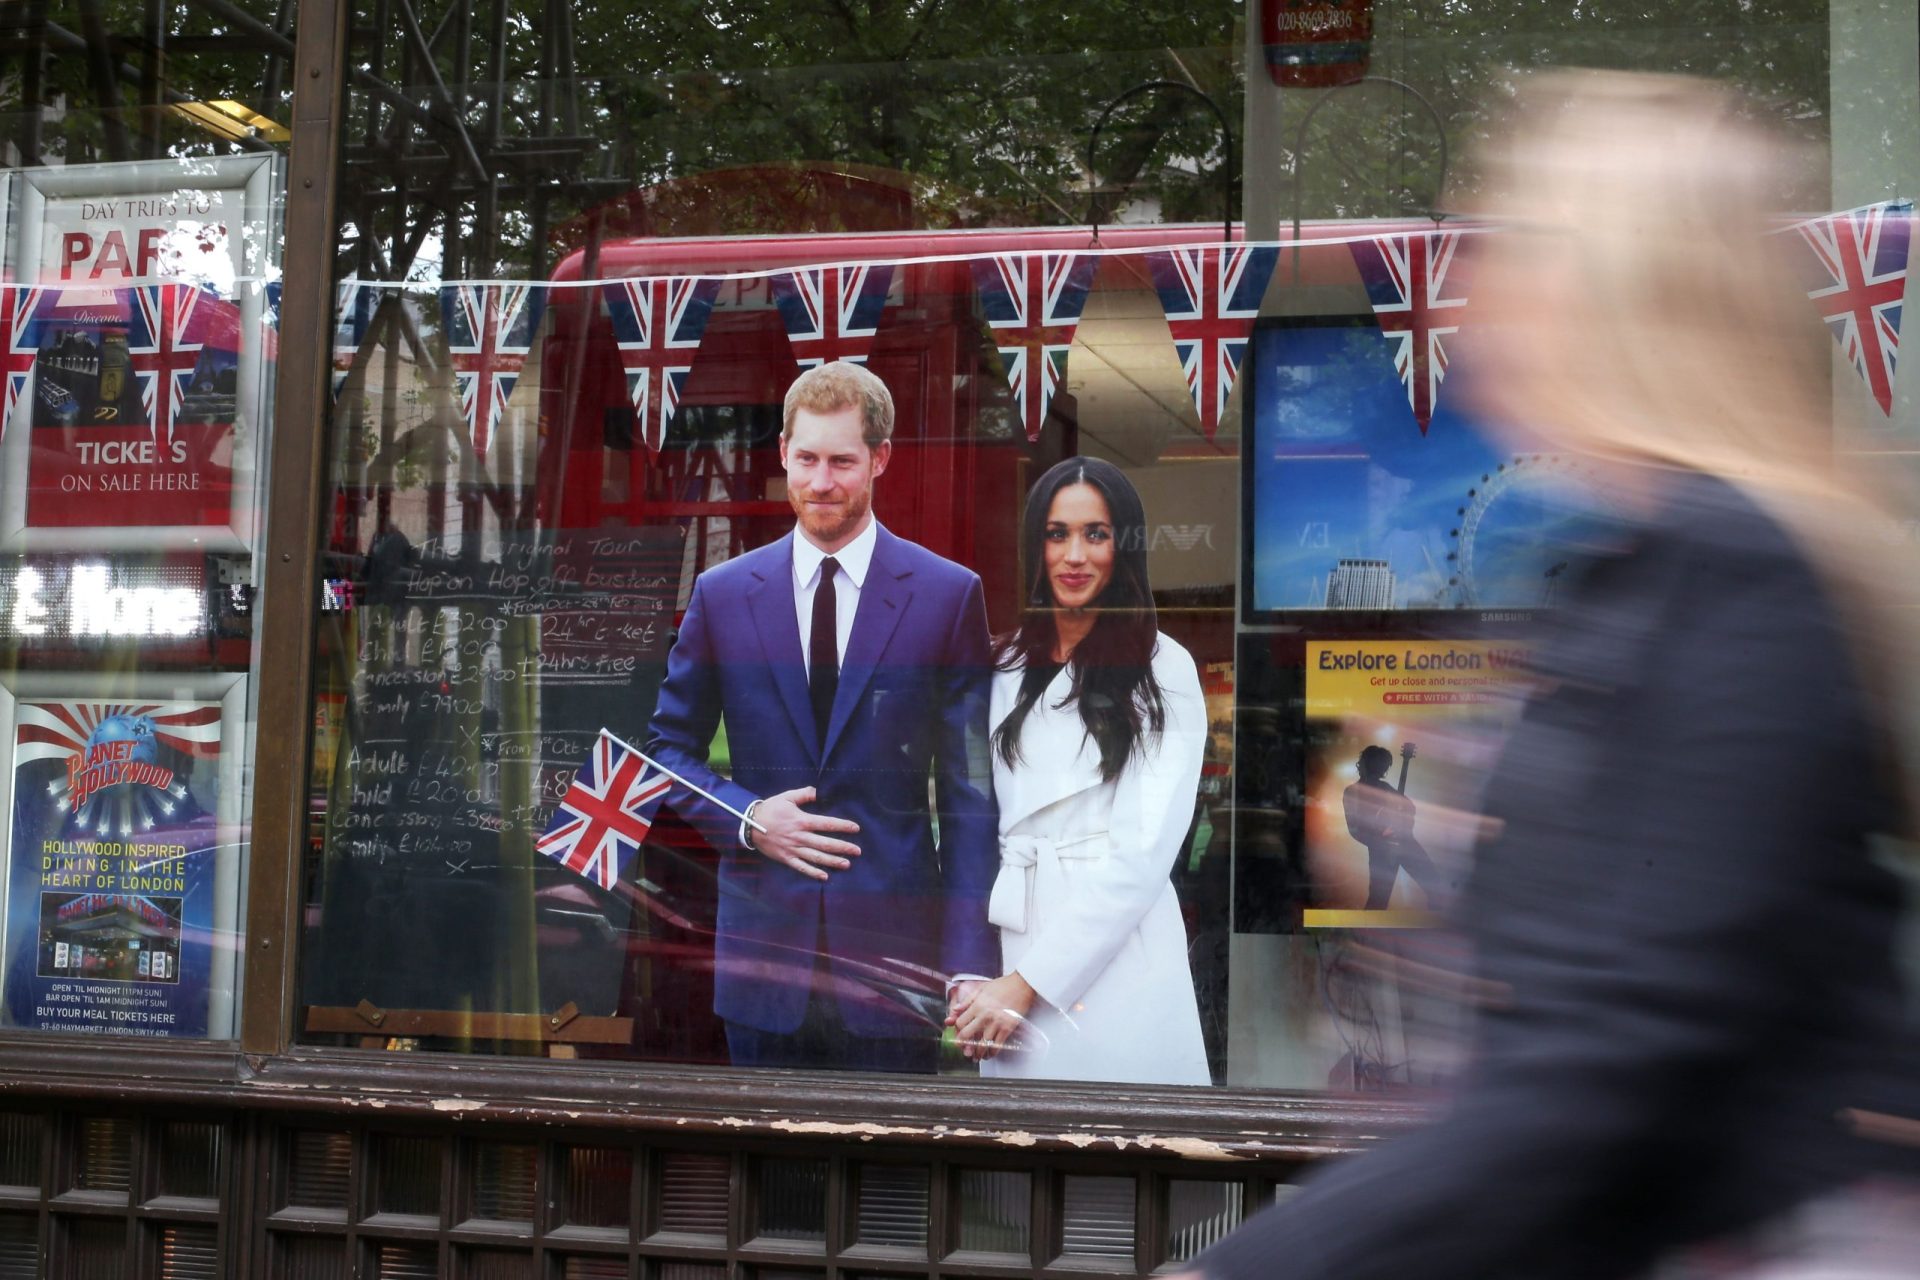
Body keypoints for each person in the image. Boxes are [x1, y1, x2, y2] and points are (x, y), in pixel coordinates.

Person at [1182, 72, 1920, 1280]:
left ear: (1621, 297)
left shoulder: (1737, 574)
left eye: (1519, 254)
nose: (1479, 295)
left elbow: (1623, 1050)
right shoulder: (1655, 567)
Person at [645, 360, 1000, 1073]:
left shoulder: (948, 596)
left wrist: (968, 963)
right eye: (806, 458)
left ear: (880, 460)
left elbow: (971, 797)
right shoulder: (722, 595)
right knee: (769, 1185)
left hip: (896, 973)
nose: (821, 481)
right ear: (782, 453)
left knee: (888, 1187)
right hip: (762, 967)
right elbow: (663, 753)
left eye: (842, 461)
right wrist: (748, 818)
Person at [948, 457, 1210, 1085]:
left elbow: (1140, 858)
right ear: (1034, 545)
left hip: (1118, 956)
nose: (1075, 555)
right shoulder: (1003, 663)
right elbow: (970, 820)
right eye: (1056, 533)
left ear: (1125, 548)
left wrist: (1028, 984)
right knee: (1022, 1167)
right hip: (1012, 939)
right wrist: (976, 973)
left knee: (1122, 1158)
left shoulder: (1164, 668)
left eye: (1096, 534)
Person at [1343, 743, 1445, 910]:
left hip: (1405, 844)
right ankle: (1367, 933)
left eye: (1382, 767)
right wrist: (1381, 836)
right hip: (1382, 852)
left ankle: (1435, 925)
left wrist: (1403, 826)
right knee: (1378, 901)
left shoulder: (1386, 789)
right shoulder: (1352, 792)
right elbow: (1354, 829)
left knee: (1435, 886)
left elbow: (1409, 808)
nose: (1380, 771)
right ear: (1367, 765)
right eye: (1378, 766)